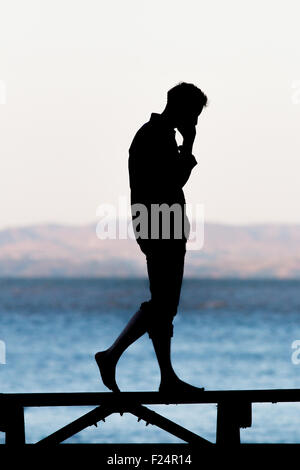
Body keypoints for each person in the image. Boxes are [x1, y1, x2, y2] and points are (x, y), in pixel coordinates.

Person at [95, 82, 208, 393]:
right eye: (194, 115)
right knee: (163, 302)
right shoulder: (156, 136)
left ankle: (166, 377)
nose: (195, 122)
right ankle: (112, 356)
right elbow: (173, 180)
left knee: (164, 304)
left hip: (158, 222)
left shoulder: (156, 134)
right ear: (183, 110)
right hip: (161, 223)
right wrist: (190, 145)